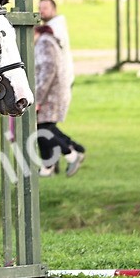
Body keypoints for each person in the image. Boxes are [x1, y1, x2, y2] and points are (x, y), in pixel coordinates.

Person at [34, 24, 84, 176]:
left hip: (50, 94)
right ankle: (49, 166)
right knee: (45, 127)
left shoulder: (44, 43)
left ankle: (71, 154)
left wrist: (38, 99)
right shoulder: (46, 41)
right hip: (53, 93)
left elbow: (48, 72)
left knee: (41, 129)